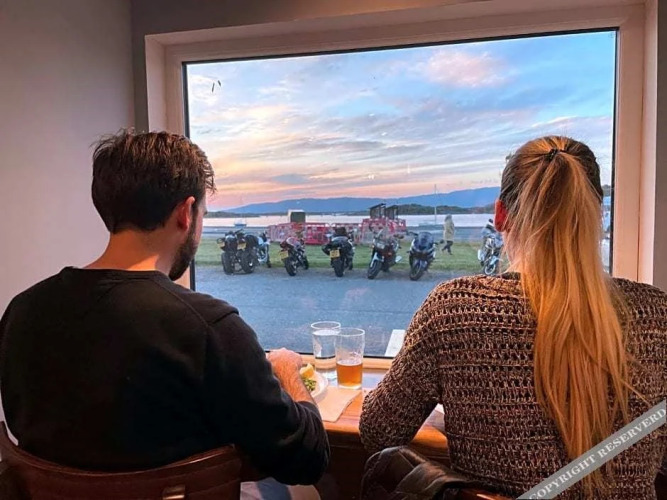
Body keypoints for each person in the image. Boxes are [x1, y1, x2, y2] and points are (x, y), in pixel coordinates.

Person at [0, 131, 329, 493]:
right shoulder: (210, 328)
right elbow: (307, 457)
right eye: (202, 215)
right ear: (186, 213)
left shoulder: (22, 312)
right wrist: (287, 371)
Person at [359, 136, 666, 499]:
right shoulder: (655, 315)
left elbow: (378, 432)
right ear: (597, 216)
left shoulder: (455, 310)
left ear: (500, 215)